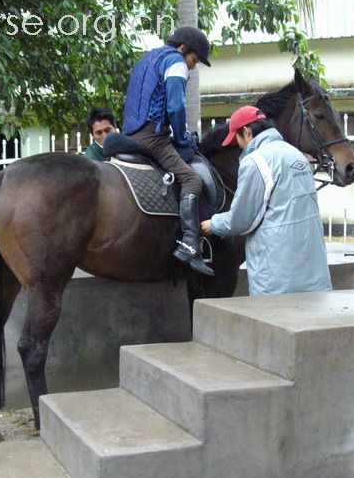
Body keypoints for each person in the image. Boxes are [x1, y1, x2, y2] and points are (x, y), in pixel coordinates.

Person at [201, 106, 332, 296]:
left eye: (237, 139)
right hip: (313, 272)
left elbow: (242, 219)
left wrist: (214, 224)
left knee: (275, 322)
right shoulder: (297, 156)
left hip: (276, 274)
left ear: (246, 132)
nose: (239, 146)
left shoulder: (255, 162)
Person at [122, 26, 214, 277]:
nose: (193, 67)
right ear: (184, 49)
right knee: (191, 179)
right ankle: (189, 245)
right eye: (194, 60)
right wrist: (183, 138)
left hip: (130, 132)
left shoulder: (149, 58)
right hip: (152, 137)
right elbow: (175, 107)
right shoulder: (176, 61)